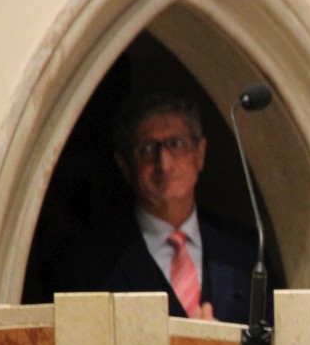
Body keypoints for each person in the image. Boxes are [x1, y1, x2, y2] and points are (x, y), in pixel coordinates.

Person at [103, 92, 265, 323]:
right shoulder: (95, 261)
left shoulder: (246, 252)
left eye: (176, 144)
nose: (164, 164)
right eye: (147, 149)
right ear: (125, 165)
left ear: (200, 153)